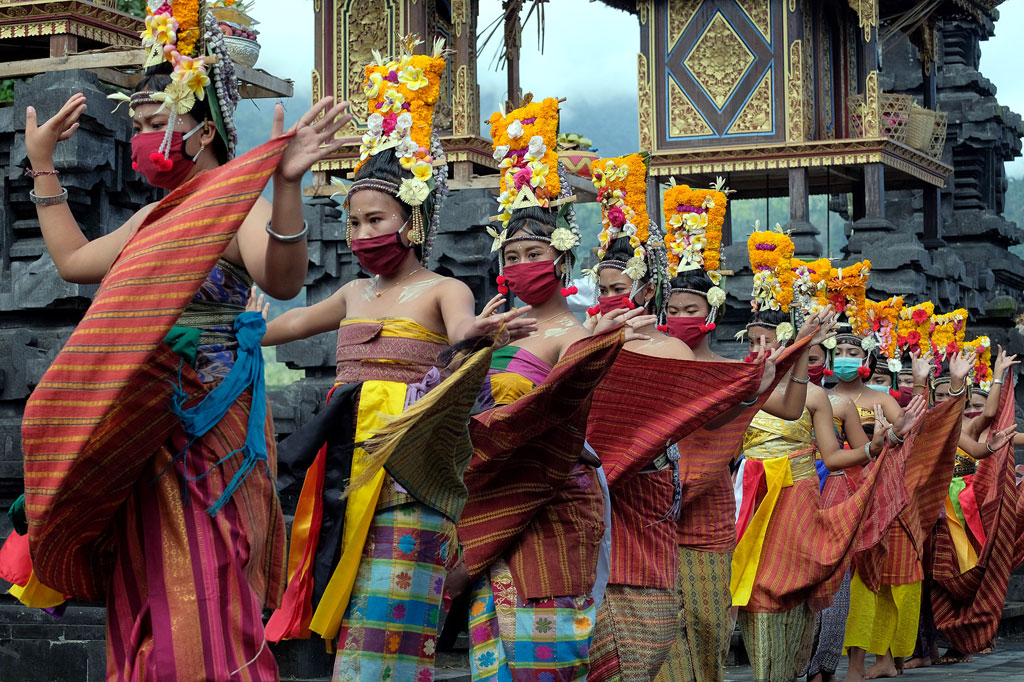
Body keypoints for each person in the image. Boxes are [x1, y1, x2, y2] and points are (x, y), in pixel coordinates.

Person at [12, 3, 354, 677]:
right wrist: (43, 166)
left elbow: (282, 280)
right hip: (139, 416)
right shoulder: (153, 215)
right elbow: (76, 263)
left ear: (203, 132)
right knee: (143, 562)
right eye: (136, 125)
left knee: (207, 560)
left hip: (206, 424)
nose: (142, 139)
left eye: (152, 123)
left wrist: (285, 186)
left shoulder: (236, 210)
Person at [259, 39, 537, 682]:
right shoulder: (356, 292)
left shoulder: (444, 289)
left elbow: (466, 332)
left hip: (409, 463)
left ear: (412, 219)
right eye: (353, 222)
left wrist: (481, 336)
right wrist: (240, 330)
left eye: (374, 219)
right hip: (347, 467)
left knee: (392, 627)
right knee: (346, 611)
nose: (361, 236)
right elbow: (294, 320)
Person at [451, 100, 649, 681]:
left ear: (562, 257)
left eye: (533, 254)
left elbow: (564, 405)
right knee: (496, 637)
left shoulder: (578, 331)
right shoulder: (499, 325)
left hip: (553, 488)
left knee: (549, 637)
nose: (519, 266)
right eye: (510, 257)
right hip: (492, 486)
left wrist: (600, 344)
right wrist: (471, 348)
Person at [582, 157, 783, 682]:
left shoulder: (677, 354)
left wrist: (765, 383)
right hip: (608, 492)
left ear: (649, 291)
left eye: (617, 287)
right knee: (636, 640)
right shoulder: (579, 340)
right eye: (601, 289)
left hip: (682, 492)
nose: (608, 298)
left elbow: (723, 417)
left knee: (705, 633)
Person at [653, 184, 832, 682]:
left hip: (712, 510)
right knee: (666, 634)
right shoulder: (660, 365)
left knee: (710, 629)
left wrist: (797, 355)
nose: (681, 319)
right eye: (675, 310)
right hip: (662, 508)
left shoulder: (731, 373)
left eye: (692, 311)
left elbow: (791, 405)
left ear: (711, 314)